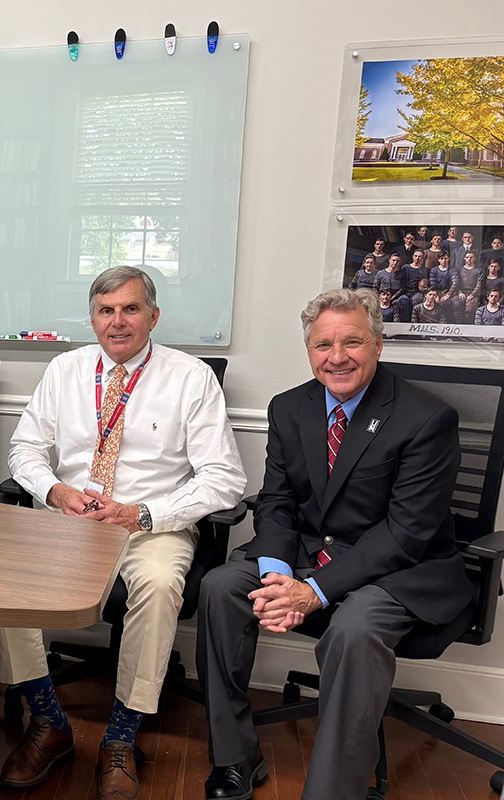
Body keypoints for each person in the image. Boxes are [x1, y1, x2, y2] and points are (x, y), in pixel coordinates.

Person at [197, 288, 470, 800]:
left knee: (354, 627)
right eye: (323, 344)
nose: (336, 357)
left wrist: (313, 591)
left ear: (379, 345)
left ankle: (333, 791)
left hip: (398, 570)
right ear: (308, 349)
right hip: (305, 556)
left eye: (352, 342)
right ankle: (234, 756)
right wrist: (279, 573)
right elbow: (276, 501)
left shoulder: (426, 418)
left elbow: (405, 533)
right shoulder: (289, 407)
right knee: (221, 586)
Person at [0, 266, 245, 800]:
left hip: (152, 526)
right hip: (70, 520)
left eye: (131, 309)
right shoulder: (65, 370)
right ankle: (47, 721)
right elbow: (24, 451)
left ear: (153, 315)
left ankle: (120, 738)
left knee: (157, 587)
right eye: (106, 311)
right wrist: (56, 492)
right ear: (92, 318)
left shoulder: (190, 377)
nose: (118, 322)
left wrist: (144, 513)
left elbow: (225, 480)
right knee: (8, 577)